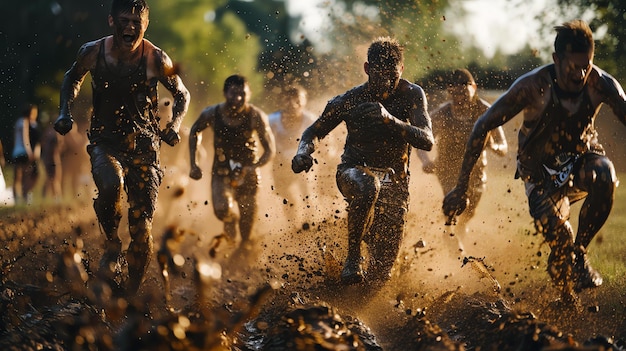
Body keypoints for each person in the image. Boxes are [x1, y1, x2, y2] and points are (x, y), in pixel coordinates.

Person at [442, 20, 626, 296]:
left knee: (605, 172)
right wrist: (460, 186)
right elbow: (483, 125)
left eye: (586, 65)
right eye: (573, 67)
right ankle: (565, 293)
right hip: (539, 172)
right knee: (560, 239)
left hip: (579, 162)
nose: (580, 74)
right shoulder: (532, 87)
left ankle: (579, 254)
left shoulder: (601, 85)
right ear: (556, 60)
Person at [53, 0, 190, 294]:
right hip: (105, 140)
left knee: (142, 229)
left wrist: (175, 126)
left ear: (146, 26)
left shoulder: (156, 58)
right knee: (111, 184)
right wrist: (64, 111)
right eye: (124, 21)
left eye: (136, 23)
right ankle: (112, 239)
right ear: (111, 21)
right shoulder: (93, 52)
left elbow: (182, 94)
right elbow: (72, 77)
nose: (130, 27)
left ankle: (129, 294)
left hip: (145, 145)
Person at [292, 37, 434, 287]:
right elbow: (312, 132)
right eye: (380, 74)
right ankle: (353, 257)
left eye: (392, 75)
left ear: (401, 69)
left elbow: (427, 140)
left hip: (395, 183)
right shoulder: (350, 99)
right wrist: (303, 152)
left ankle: (359, 308)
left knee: (381, 273)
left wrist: (390, 120)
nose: (387, 82)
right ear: (367, 69)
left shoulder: (412, 94)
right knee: (369, 185)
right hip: (353, 172)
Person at [418, 69, 508, 253]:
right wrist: (426, 161)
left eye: (464, 92)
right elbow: (423, 141)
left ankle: (459, 229)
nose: (460, 97)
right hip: (447, 168)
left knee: (468, 213)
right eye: (455, 92)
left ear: (474, 88)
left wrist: (492, 146)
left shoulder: (485, 111)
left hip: (477, 171)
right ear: (449, 92)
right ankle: (450, 234)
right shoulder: (442, 114)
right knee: (454, 205)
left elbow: (503, 146)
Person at [189, 74, 275, 248]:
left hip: (248, 171)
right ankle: (231, 225)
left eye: (242, 94)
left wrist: (254, 167)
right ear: (224, 93)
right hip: (221, 171)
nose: (237, 98)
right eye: (232, 93)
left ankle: (242, 253)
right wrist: (194, 163)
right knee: (222, 211)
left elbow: (270, 150)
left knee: (246, 225)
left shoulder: (256, 116)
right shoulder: (212, 113)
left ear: (249, 94)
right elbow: (194, 131)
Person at [268, 84, 317, 220]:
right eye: (288, 100)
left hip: (304, 161)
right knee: (286, 195)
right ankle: (293, 224)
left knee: (307, 191)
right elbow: (265, 143)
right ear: (282, 101)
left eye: (297, 100)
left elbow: (321, 143)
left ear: (304, 101)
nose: (292, 104)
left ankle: (309, 220)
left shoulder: (310, 120)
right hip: (280, 163)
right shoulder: (272, 120)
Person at [12, 103, 41, 205]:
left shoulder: (19, 122)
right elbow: (25, 138)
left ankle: (17, 200)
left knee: (17, 177)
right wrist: (29, 152)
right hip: (23, 152)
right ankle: (24, 199)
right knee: (25, 177)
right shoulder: (24, 122)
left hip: (16, 152)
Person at [41, 111, 65, 202]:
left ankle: (46, 198)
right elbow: (60, 146)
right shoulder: (56, 132)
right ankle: (57, 199)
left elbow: (43, 144)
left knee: (48, 179)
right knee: (55, 179)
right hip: (54, 158)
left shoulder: (47, 131)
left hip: (47, 158)